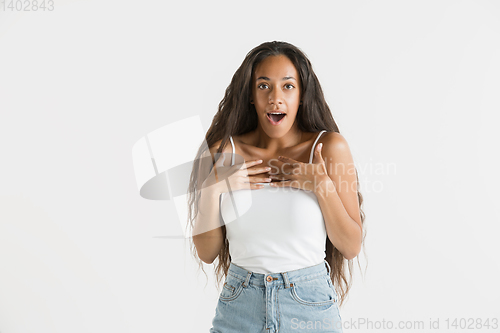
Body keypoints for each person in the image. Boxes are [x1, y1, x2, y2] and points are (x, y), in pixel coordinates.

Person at [187, 41, 365, 333]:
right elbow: (207, 253)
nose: (275, 99)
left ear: (302, 95)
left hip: (308, 307)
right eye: (264, 86)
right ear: (250, 97)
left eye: (288, 86)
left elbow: (350, 246)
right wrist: (212, 189)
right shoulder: (222, 152)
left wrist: (321, 184)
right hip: (239, 307)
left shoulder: (328, 148)